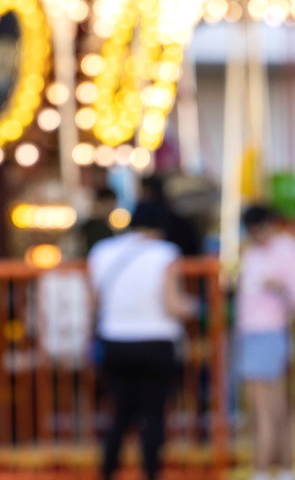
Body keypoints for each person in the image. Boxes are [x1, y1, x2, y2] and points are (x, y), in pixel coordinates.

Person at [89, 200, 193, 480]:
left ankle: (108, 473)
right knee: (153, 415)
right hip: (156, 342)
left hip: (114, 340)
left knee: (119, 415)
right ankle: (151, 473)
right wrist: (196, 307)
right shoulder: (165, 253)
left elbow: (94, 303)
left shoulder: (102, 252)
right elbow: (173, 305)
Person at [237, 203, 295, 480]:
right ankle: (284, 470)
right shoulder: (258, 252)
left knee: (264, 413)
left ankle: (263, 471)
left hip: (266, 334)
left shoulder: (281, 251)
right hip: (263, 334)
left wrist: (278, 287)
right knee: (276, 410)